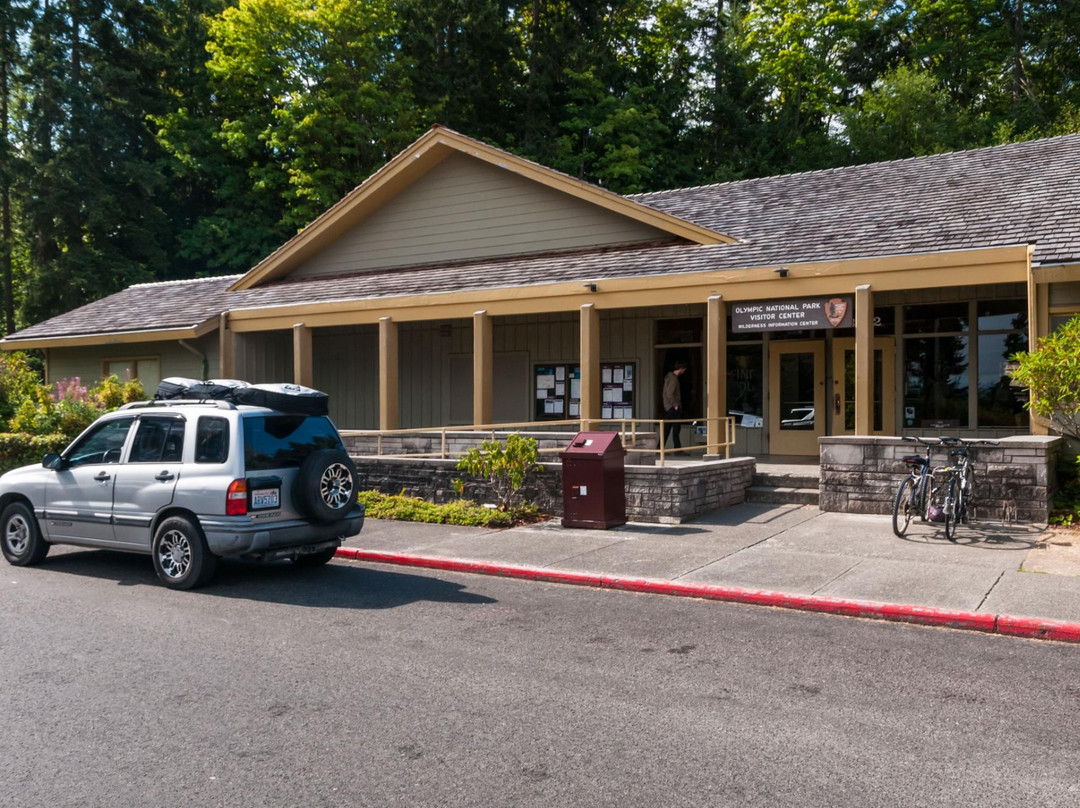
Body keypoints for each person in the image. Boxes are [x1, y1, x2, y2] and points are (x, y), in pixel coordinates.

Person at [662, 361, 687, 449]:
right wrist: (675, 404)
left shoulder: (669, 377)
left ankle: (659, 447)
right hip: (672, 407)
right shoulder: (674, 379)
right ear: (680, 369)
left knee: (667, 428)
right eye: (683, 370)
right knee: (676, 428)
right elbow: (669, 393)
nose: (683, 372)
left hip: (668, 407)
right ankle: (677, 449)